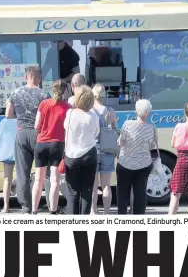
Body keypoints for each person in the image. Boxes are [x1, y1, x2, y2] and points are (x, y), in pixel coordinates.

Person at [8, 65, 51, 214]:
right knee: (44, 172)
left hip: (21, 134)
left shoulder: (15, 93)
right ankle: (49, 203)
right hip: (38, 135)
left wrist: (20, 118)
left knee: (22, 173)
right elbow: (48, 117)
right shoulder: (44, 95)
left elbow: (8, 114)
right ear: (40, 78)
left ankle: (26, 206)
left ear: (26, 76)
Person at [31, 80, 70, 214]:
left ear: (52, 89)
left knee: (38, 180)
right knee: (54, 180)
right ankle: (53, 211)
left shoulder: (44, 104)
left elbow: (36, 126)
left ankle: (34, 211)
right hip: (57, 145)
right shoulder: (68, 107)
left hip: (41, 143)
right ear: (65, 90)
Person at [116, 99, 158, 215]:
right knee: (140, 193)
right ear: (149, 112)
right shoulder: (151, 127)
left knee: (122, 192)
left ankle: (122, 218)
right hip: (143, 165)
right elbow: (152, 146)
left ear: (136, 111)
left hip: (125, 164)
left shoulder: (127, 124)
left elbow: (121, 143)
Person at [62, 86, 99, 215]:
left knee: (72, 192)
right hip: (89, 153)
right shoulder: (93, 116)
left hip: (71, 155)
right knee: (87, 190)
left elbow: (65, 128)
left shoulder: (70, 113)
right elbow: (96, 133)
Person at [90, 84, 119, 215]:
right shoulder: (110, 111)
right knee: (106, 185)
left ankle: (93, 211)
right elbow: (115, 129)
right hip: (107, 150)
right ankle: (106, 212)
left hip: (93, 150)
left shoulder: (89, 110)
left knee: (93, 186)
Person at [0, 100, 18, 213]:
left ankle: (6, 206)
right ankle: (26, 205)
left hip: (7, 154)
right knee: (22, 178)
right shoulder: (21, 121)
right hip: (20, 153)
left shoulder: (3, 122)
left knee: (7, 180)